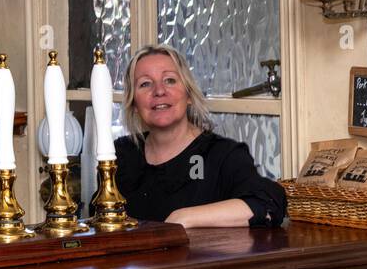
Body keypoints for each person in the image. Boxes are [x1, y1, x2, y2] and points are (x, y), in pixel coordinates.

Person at [113, 44, 286, 228]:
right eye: (145, 84)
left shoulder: (223, 155)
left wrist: (184, 218)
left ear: (189, 95)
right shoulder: (122, 154)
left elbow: (268, 204)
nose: (159, 91)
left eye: (170, 80)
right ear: (134, 104)